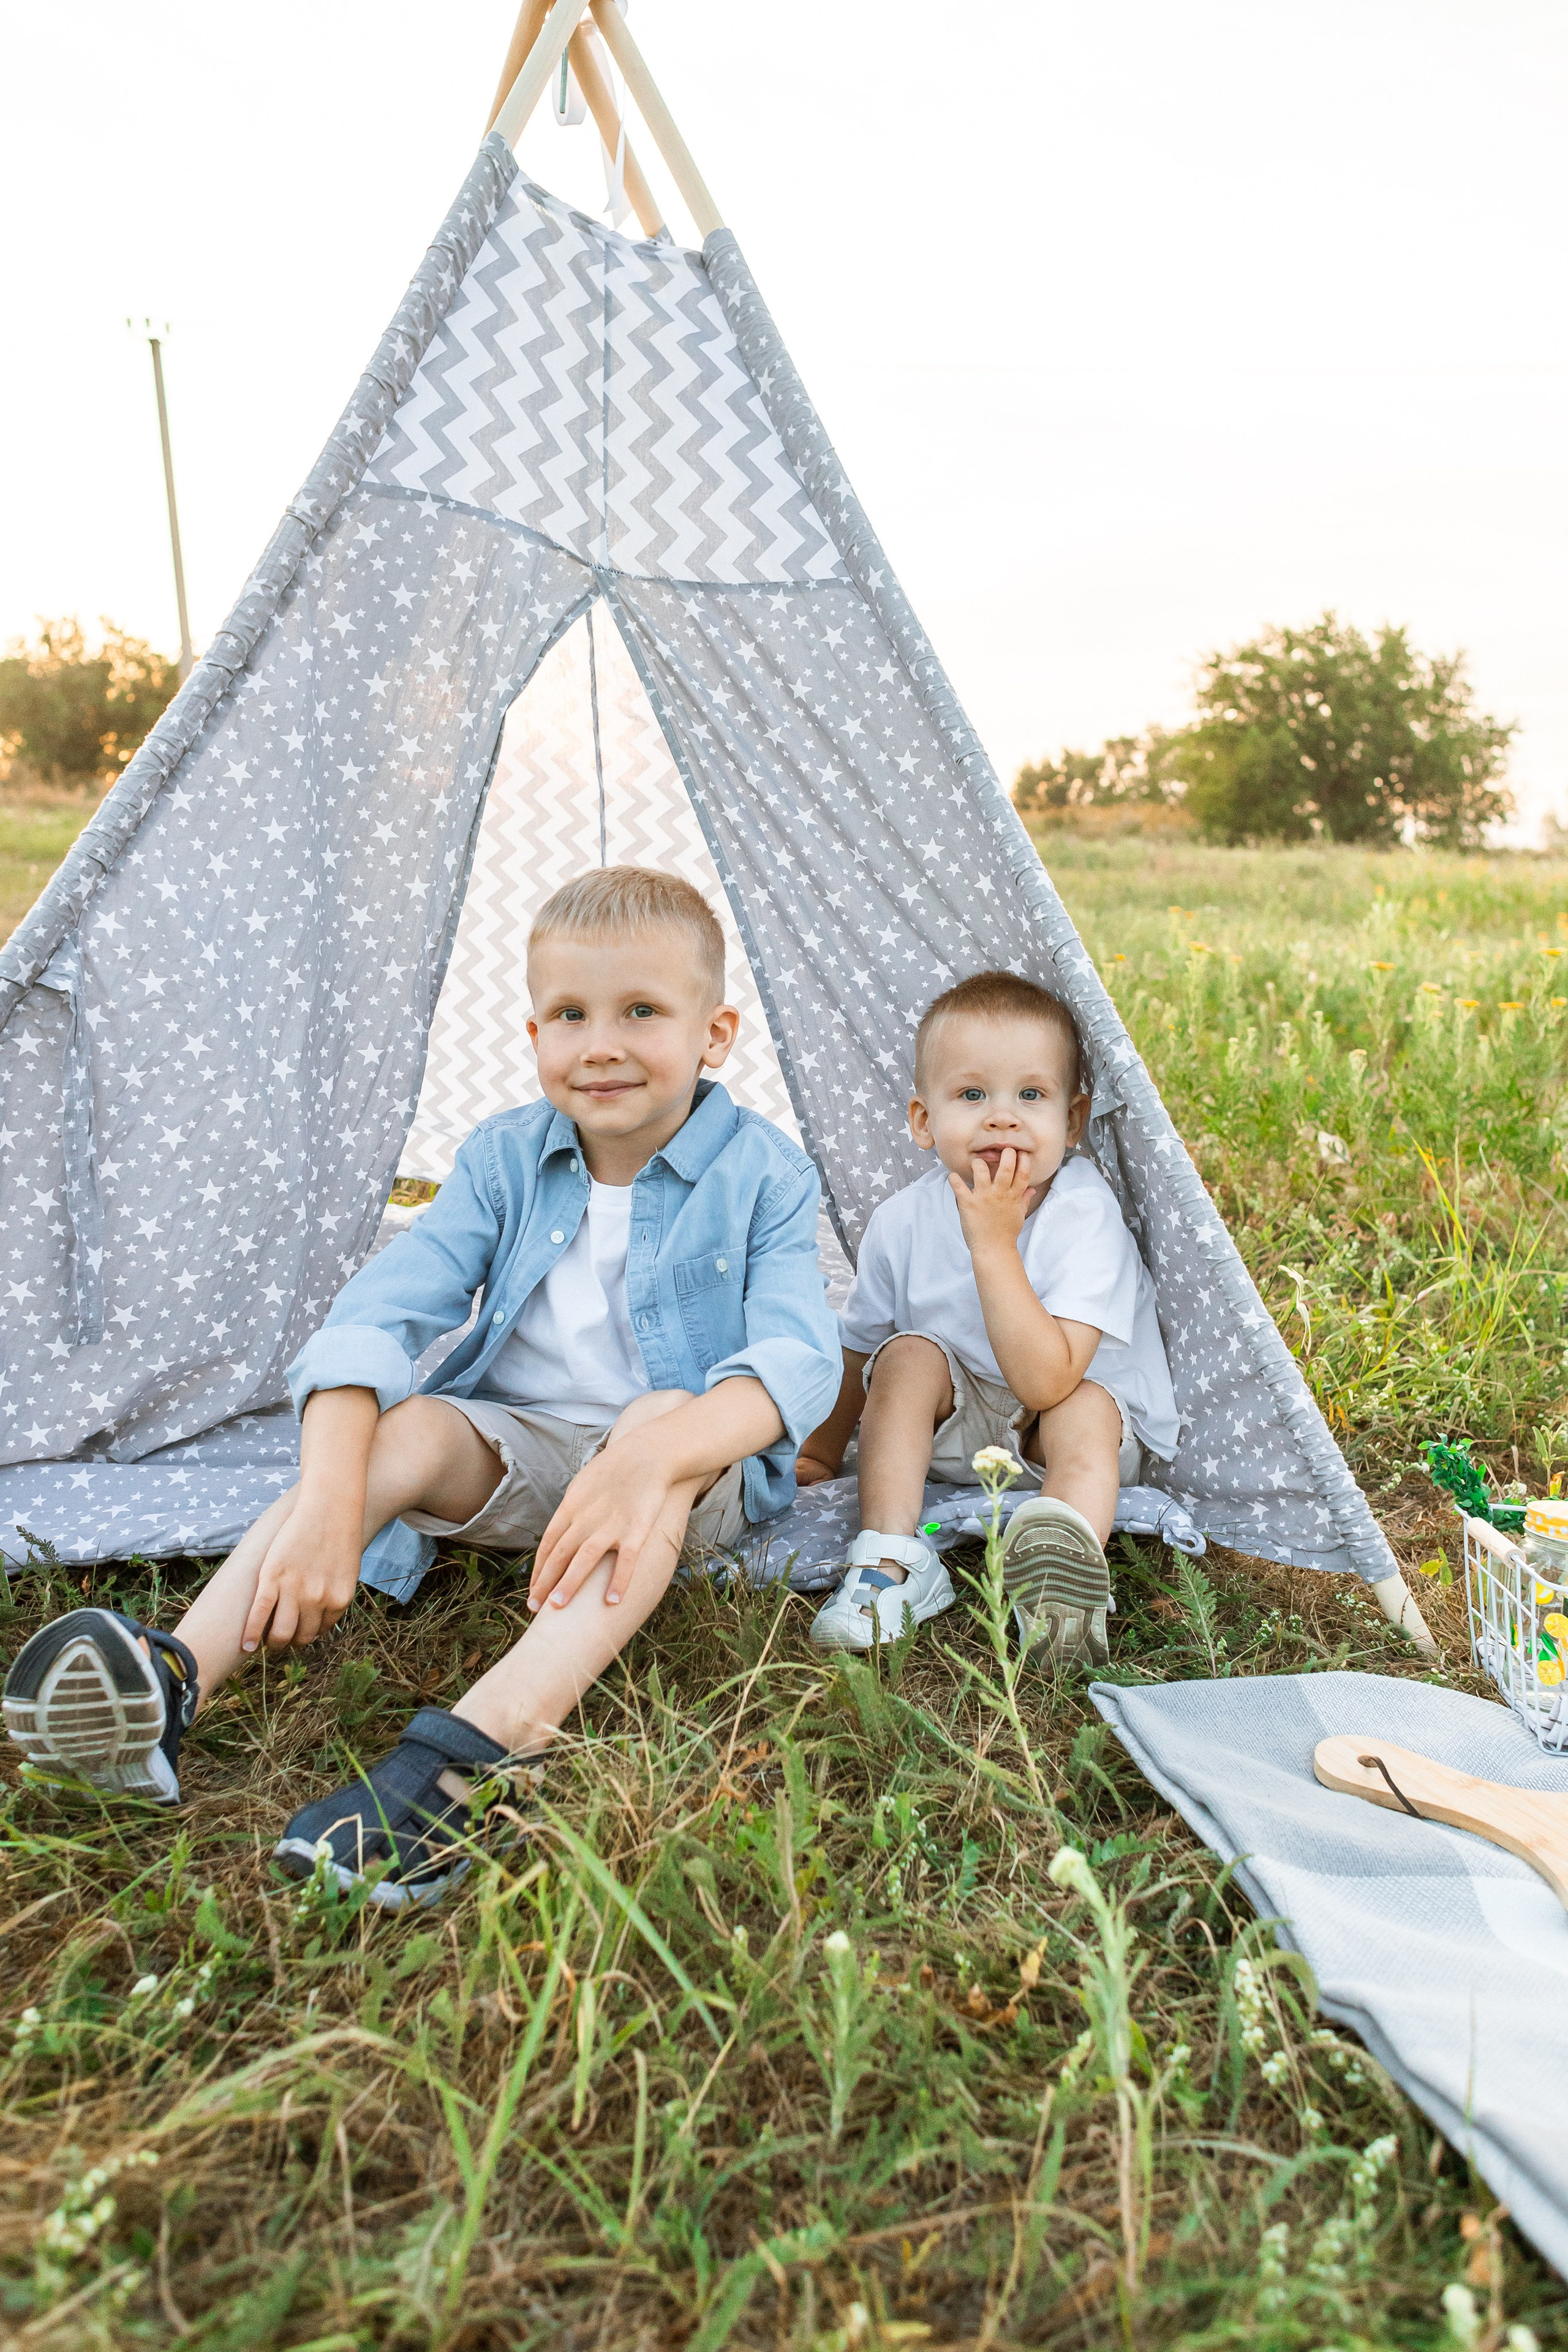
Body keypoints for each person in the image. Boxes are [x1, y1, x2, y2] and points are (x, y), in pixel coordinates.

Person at [3, 868, 840, 1907]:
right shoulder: (503, 1158)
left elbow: (799, 1360)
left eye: (642, 1013)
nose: (603, 1044)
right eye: (571, 1015)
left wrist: (654, 1455)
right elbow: (375, 1318)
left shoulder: (765, 1171)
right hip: (523, 1455)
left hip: (683, 1478)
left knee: (658, 1413)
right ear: (534, 1038)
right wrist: (324, 1504)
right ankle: (171, 1680)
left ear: (714, 1035)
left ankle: (476, 1758)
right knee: (407, 1427)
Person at [797, 970, 1178, 1662]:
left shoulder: (1083, 1214)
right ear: (923, 1120)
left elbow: (1047, 1383)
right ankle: (888, 1566)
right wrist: (820, 1453)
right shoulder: (902, 1221)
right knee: (906, 1354)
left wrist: (993, 1244)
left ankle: (1060, 1581)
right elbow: (858, 1352)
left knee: (1084, 1408)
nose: (1001, 1117)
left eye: (1030, 1095)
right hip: (959, 1433)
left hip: (1057, 1435)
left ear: (1071, 1122)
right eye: (972, 1095)